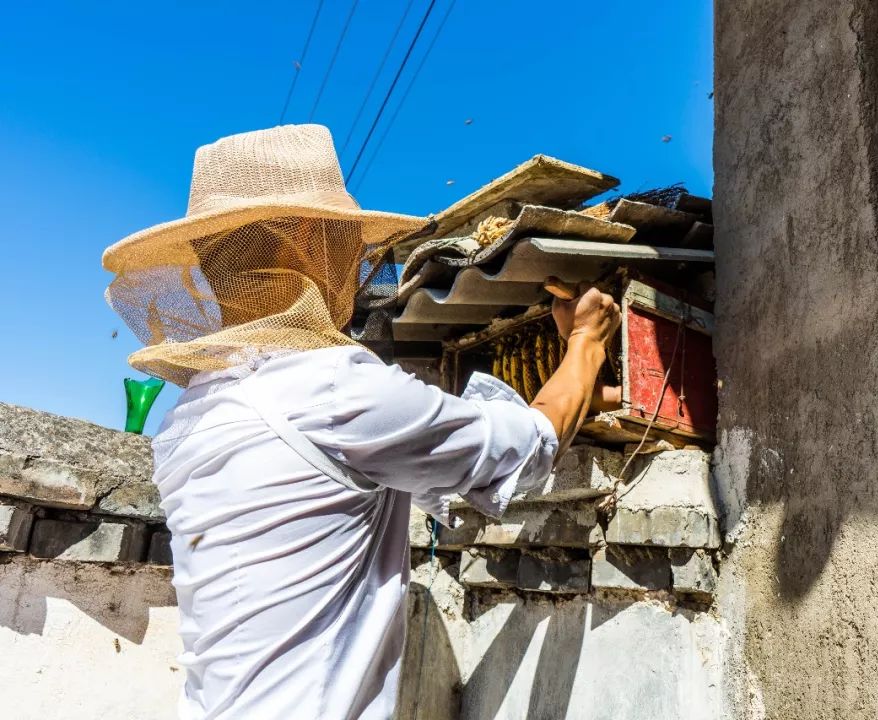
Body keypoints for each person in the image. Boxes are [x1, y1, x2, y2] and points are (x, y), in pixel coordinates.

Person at [102, 124, 619, 719]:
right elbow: (529, 447)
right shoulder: (330, 387)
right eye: (345, 242)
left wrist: (581, 393)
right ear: (306, 243)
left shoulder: (193, 414)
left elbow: (388, 472)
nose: (357, 262)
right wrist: (586, 339)